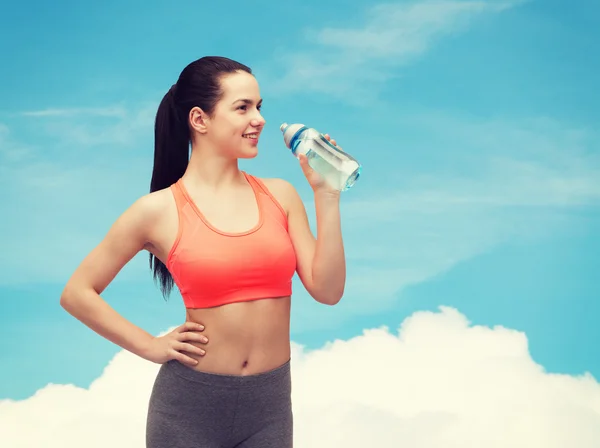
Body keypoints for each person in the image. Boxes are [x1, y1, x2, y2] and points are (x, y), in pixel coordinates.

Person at [59, 56, 347, 448]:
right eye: (242, 107)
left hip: (270, 409)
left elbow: (328, 291)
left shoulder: (280, 195)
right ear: (200, 119)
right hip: (188, 411)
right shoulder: (157, 211)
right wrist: (150, 345)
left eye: (259, 106)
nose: (259, 119)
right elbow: (77, 292)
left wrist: (326, 195)